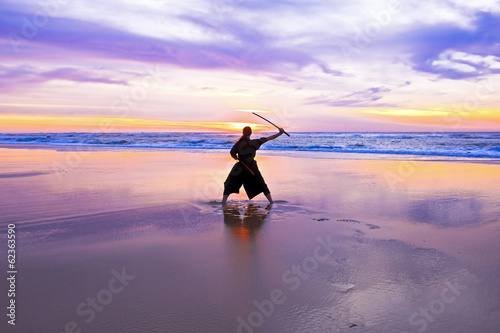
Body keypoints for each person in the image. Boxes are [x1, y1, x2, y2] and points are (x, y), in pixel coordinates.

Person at [221, 126, 284, 204]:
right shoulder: (255, 142)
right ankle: (271, 201)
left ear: (243, 133)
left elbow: (232, 153)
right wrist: (280, 133)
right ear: (251, 133)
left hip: (240, 167)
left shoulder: (239, 143)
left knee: (229, 183)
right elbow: (269, 138)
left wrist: (237, 158)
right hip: (252, 167)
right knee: (261, 183)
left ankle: (223, 201)